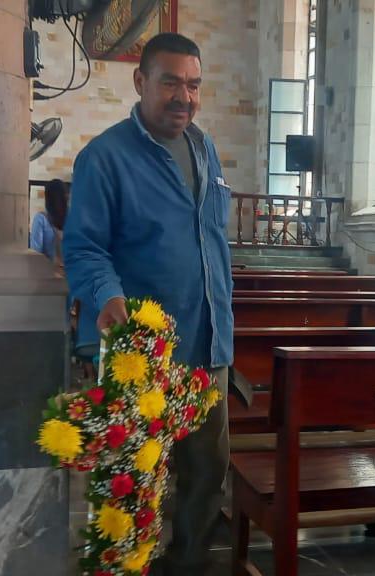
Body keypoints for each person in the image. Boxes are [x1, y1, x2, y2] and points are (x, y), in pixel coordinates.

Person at [63, 33, 250, 575]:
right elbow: (83, 247)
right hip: (140, 355)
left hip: (206, 343)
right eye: (170, 82)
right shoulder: (104, 158)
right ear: (141, 81)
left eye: (192, 85)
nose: (183, 97)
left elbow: (209, 238)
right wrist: (107, 294)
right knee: (131, 485)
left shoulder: (204, 147)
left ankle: (188, 564)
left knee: (205, 475)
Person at [29, 179, 67, 263]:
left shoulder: (41, 219)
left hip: (49, 273)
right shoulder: (72, 219)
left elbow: (35, 253)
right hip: (70, 272)